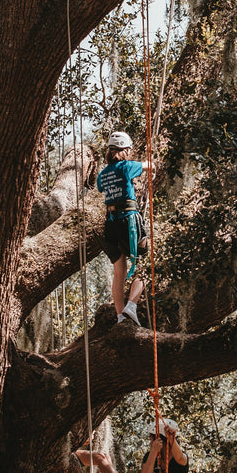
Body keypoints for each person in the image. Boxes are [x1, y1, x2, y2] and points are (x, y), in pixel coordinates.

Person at [96, 130, 150, 327]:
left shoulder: (103, 174)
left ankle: (120, 316)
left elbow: (101, 187)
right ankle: (131, 306)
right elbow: (148, 166)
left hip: (110, 223)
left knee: (119, 273)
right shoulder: (127, 167)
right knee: (146, 267)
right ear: (125, 150)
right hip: (128, 221)